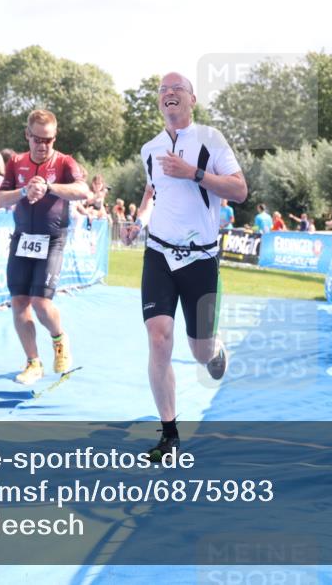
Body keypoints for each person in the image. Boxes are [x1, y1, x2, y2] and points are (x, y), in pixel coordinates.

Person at [121, 72, 247, 460]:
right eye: (163, 89)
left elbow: (240, 190)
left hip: (201, 258)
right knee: (159, 336)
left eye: (178, 88)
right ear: (159, 102)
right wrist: (139, 221)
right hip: (159, 253)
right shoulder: (149, 149)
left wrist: (193, 173)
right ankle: (170, 434)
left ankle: (214, 351)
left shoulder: (211, 139)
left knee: (199, 351)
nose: (169, 93)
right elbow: (152, 193)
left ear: (192, 99)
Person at [0, 109, 89, 385]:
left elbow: (83, 190)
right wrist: (24, 191)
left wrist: (50, 187)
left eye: (48, 140)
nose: (43, 145)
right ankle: (33, 362)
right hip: (22, 238)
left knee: (41, 302)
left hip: (53, 239)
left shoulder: (64, 162)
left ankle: (59, 339)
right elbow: (0, 199)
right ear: (27, 135)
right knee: (19, 302)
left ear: (54, 138)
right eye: (37, 139)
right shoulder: (16, 162)